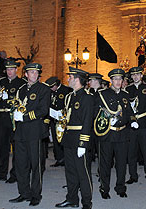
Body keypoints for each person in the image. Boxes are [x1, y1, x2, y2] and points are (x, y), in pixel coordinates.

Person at [8, 63, 51, 206]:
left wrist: (24, 117)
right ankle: (24, 193)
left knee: (36, 165)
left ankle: (35, 194)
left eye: (36, 72)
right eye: (31, 72)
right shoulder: (21, 90)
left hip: (35, 132)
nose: (34, 74)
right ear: (25, 74)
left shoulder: (44, 89)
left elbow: (43, 110)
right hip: (20, 132)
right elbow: (16, 105)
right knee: (21, 164)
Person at [53, 68, 94, 209]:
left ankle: (87, 202)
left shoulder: (87, 98)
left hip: (79, 139)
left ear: (77, 79)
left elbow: (88, 121)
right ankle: (72, 199)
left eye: (70, 77)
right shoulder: (69, 97)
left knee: (82, 172)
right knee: (70, 171)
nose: (68, 79)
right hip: (69, 138)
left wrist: (83, 143)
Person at [94, 68, 132, 199]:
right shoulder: (102, 94)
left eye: (120, 79)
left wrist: (132, 121)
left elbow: (129, 112)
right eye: (115, 79)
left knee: (121, 163)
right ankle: (104, 188)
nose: (118, 81)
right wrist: (107, 120)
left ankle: (120, 187)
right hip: (107, 134)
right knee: (105, 163)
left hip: (122, 134)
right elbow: (96, 112)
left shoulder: (125, 95)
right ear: (110, 80)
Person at [0, 58, 25, 183]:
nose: (9, 72)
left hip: (14, 118)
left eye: (11, 69)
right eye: (8, 69)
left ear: (16, 70)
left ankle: (14, 174)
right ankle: (1, 172)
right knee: (2, 147)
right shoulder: (2, 81)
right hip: (2, 118)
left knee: (15, 148)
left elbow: (21, 101)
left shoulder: (21, 83)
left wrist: (9, 99)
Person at [125, 65, 146, 185]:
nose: (135, 76)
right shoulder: (128, 89)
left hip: (143, 123)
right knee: (131, 152)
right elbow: (126, 108)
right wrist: (130, 120)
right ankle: (133, 175)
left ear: (141, 76)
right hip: (132, 125)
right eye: (133, 75)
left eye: (138, 74)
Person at [47, 76, 72, 167]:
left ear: (56, 85)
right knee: (55, 139)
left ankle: (66, 159)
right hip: (54, 119)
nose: (51, 89)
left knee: (64, 139)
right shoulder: (51, 91)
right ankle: (59, 158)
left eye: (52, 86)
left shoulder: (66, 90)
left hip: (63, 120)